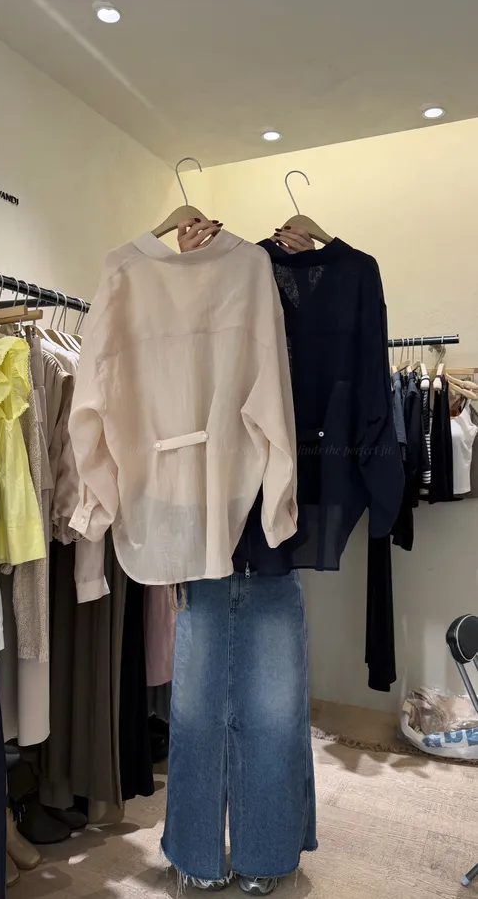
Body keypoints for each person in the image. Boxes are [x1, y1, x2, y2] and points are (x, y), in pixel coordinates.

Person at [161, 220, 317, 896]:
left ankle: (267, 851)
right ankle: (196, 851)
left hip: (268, 534)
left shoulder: (309, 287)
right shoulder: (186, 289)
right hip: (202, 525)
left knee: (274, 710)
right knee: (197, 709)